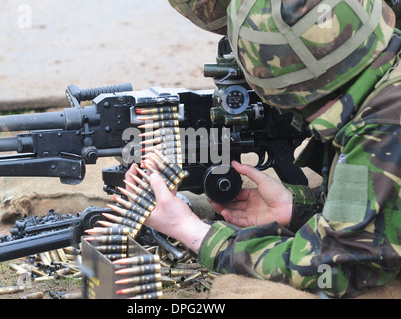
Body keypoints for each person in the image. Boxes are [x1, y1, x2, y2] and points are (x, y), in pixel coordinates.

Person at [125, 0, 401, 298]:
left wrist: (194, 233)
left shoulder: (382, 126)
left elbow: (336, 270)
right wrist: (299, 208)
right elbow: (385, 207)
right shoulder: (386, 85)